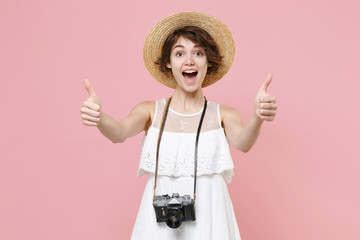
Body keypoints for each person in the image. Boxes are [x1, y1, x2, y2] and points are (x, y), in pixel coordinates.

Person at [80, 12, 277, 240]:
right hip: (159, 224)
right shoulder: (150, 111)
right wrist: (99, 116)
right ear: (168, 61)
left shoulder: (223, 113)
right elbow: (119, 133)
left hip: (211, 221)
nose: (189, 61)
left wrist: (258, 116)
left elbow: (244, 142)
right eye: (179, 53)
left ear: (209, 61)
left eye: (199, 53)